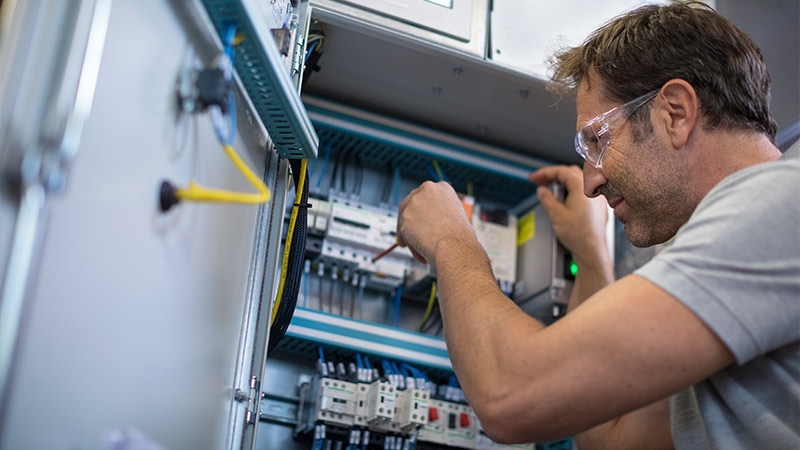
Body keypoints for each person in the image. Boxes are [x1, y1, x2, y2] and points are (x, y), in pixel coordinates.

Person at [395, 2, 800, 449]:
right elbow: (611, 440)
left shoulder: (779, 207)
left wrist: (451, 240)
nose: (591, 182)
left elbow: (508, 394)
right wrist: (590, 255)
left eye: (598, 140)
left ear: (677, 112)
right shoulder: (751, 242)